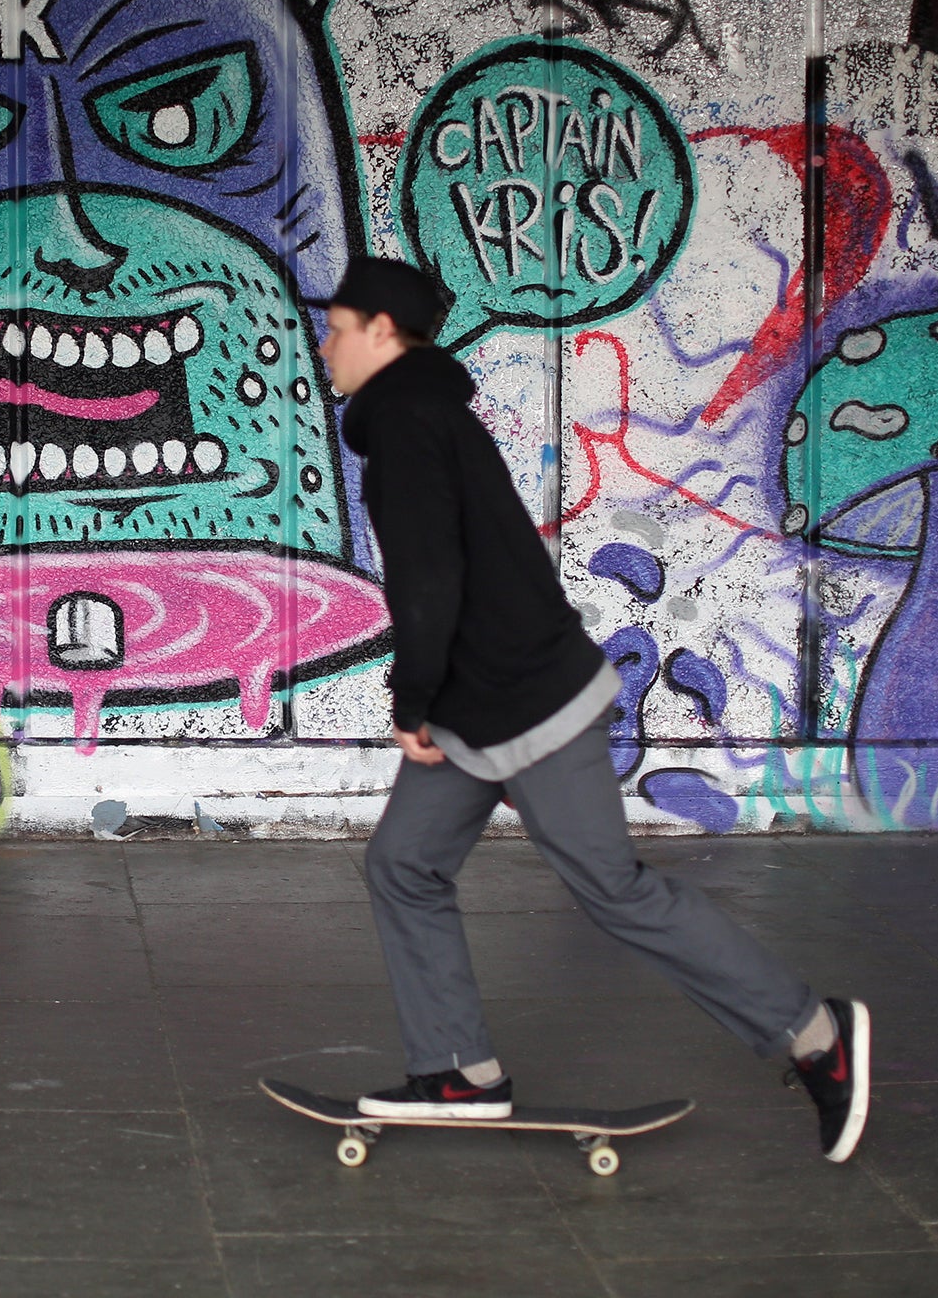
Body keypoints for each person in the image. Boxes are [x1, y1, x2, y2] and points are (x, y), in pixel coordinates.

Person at [314, 254, 870, 1163]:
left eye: (338, 327)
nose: (326, 343)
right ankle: (459, 1072)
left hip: (526, 699)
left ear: (382, 331)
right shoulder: (423, 415)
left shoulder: (410, 425)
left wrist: (409, 698)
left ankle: (815, 1034)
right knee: (405, 863)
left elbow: (429, 579)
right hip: (480, 701)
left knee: (613, 891)